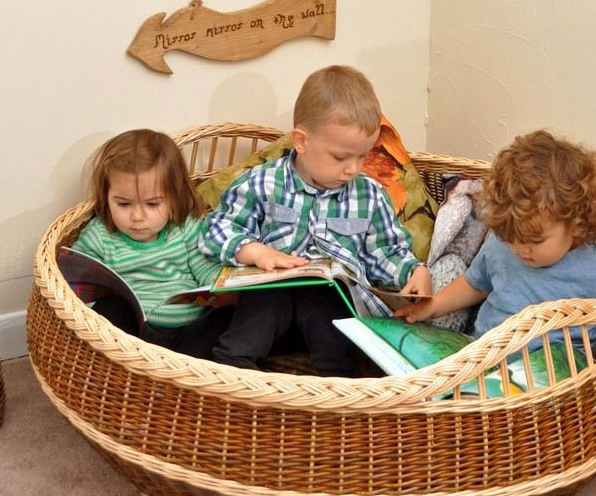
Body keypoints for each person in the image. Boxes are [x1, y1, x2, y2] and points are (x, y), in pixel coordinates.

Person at [199, 65, 432, 375]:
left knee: (326, 297)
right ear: (301, 141)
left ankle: (337, 381)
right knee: (265, 299)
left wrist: (413, 272)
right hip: (270, 313)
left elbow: (385, 251)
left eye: (362, 156)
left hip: (330, 316)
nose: (353, 169)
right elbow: (215, 229)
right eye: (340, 157)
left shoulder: (369, 195)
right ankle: (232, 370)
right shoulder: (263, 183)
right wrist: (257, 252)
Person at [395, 129, 596, 356]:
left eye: (535, 240)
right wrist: (432, 306)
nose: (520, 248)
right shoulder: (500, 247)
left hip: (552, 382)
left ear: (577, 224)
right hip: (482, 362)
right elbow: (474, 285)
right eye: (511, 236)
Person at [72, 129, 230, 358]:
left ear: (174, 199)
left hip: (191, 329)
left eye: (152, 204)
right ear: (106, 197)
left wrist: (222, 289)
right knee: (111, 309)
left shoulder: (184, 227)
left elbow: (204, 266)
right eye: (124, 204)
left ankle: (181, 370)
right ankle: (148, 369)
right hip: (138, 336)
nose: (137, 216)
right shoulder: (99, 236)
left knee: (230, 315)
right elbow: (77, 285)